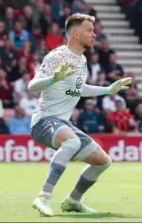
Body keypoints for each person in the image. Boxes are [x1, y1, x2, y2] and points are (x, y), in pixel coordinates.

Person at [27, 14, 132, 216]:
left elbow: (80, 88)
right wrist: (52, 79)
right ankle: (43, 197)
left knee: (103, 161)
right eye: (90, 30)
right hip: (44, 120)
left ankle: (73, 200)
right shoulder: (57, 56)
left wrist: (108, 90)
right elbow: (32, 86)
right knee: (72, 142)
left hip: (63, 123)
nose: (94, 34)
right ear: (76, 33)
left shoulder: (82, 60)